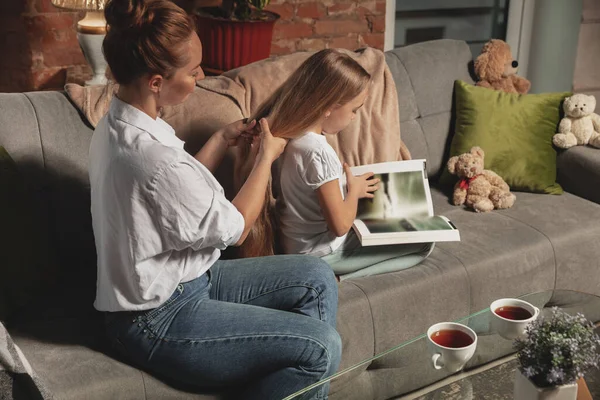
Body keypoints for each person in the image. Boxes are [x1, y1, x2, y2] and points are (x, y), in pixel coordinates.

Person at [89, 1, 341, 399]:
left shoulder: (121, 124)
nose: (201, 76)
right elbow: (238, 227)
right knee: (322, 346)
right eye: (193, 72)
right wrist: (266, 158)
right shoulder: (152, 157)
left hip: (188, 280)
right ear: (156, 81)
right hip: (156, 318)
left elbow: (175, 196)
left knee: (317, 278)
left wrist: (221, 141)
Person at [246, 49, 434, 280]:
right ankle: (339, 277)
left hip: (296, 245)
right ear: (330, 107)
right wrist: (353, 193)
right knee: (425, 244)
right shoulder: (319, 153)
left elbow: (307, 190)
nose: (354, 117)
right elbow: (340, 226)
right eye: (354, 110)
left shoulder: (288, 136)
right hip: (322, 254)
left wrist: (346, 184)